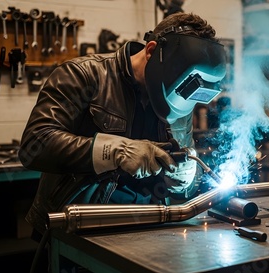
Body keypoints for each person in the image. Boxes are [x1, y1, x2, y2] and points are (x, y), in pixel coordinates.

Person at [18, 12, 227, 239]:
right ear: (151, 51)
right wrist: (114, 151)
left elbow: (186, 179)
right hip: (78, 228)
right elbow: (35, 144)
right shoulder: (84, 74)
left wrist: (185, 178)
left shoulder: (179, 99)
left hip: (149, 229)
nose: (179, 102)